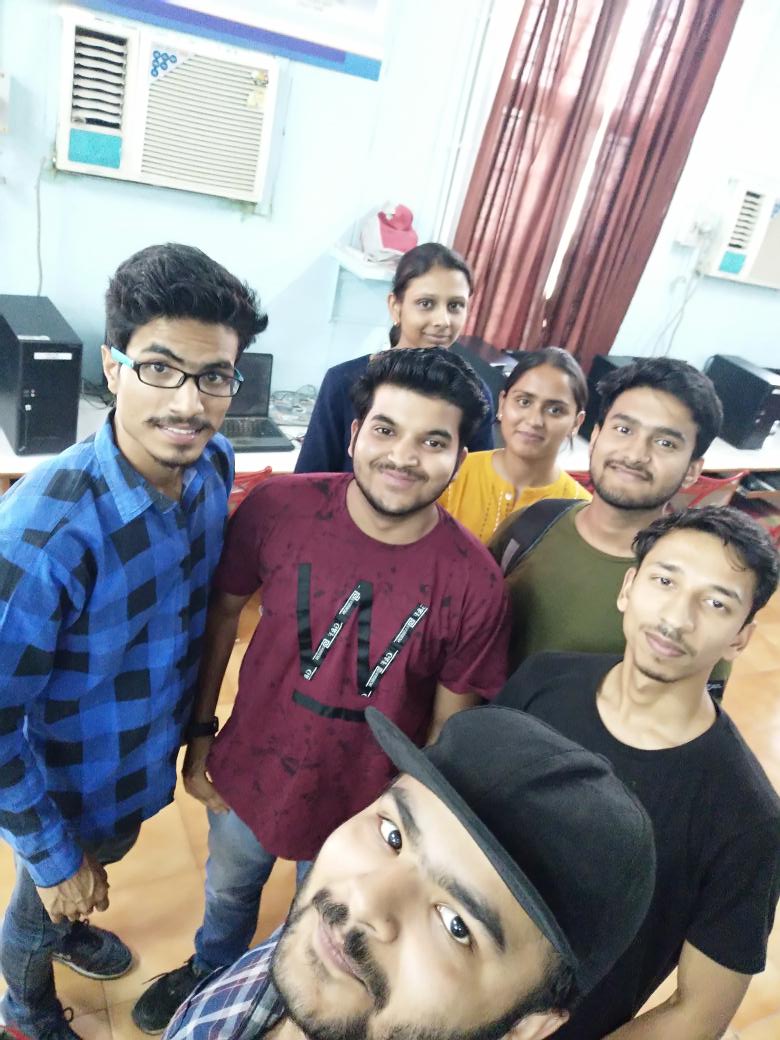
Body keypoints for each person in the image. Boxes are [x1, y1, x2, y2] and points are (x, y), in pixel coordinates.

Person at [132, 347, 512, 1032]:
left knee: (325, 921)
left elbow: (445, 736)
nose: (403, 457)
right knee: (228, 889)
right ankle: (211, 967)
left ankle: (285, 1000)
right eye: (386, 430)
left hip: (366, 811)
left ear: (460, 457)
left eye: (434, 442)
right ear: (354, 432)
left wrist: (408, 839)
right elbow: (222, 618)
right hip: (248, 771)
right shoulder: (280, 508)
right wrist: (200, 736)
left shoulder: (475, 583)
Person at [0, 243, 267, 1040]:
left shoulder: (214, 465)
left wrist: (198, 733)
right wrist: (54, 858)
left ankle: (68, 920)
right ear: (113, 368)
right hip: (65, 787)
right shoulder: (46, 533)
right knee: (38, 907)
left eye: (214, 376)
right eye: (159, 368)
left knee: (93, 872)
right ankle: (24, 1009)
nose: (188, 404)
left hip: (135, 764)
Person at [163, 704, 656, 1040]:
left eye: (456, 924)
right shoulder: (324, 950)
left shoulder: (355, 971)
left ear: (525, 1029)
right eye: (393, 834)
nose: (364, 900)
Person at [498, 506, 780, 1040]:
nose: (677, 618)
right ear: (628, 588)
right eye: (665, 581)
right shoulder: (542, 682)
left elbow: (698, 1013)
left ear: (741, 636)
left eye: (716, 603)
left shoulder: (747, 819)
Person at [489, 357, 725, 679]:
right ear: (596, 436)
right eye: (624, 430)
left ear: (692, 470)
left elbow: (693, 702)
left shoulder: (697, 587)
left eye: (665, 443)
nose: (635, 455)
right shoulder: (530, 525)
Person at [295, 243, 494, 474]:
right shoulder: (343, 381)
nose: (443, 321)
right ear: (395, 306)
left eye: (455, 306)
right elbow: (308, 481)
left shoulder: (475, 394)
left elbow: (477, 482)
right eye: (426, 304)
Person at [439, 347, 590, 542]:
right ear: (502, 404)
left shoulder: (581, 511)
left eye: (555, 410)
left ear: (576, 423)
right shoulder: (450, 475)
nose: (534, 420)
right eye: (524, 402)